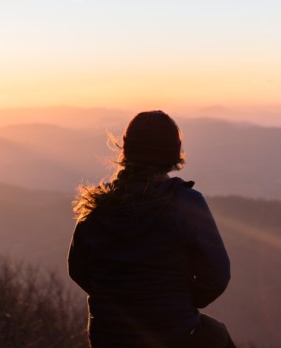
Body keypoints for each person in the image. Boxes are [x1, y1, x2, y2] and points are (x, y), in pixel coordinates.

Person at [68, 110, 235, 348]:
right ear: (173, 155)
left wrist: (117, 300)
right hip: (173, 333)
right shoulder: (186, 203)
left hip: (108, 337)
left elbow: (77, 269)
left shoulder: (96, 207)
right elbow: (217, 275)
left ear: (125, 151)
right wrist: (181, 302)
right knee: (217, 336)